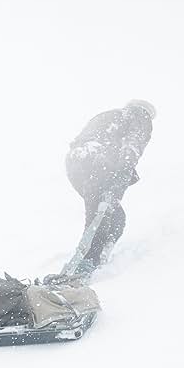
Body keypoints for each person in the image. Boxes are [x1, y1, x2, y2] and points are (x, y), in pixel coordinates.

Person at [64, 99, 155, 275]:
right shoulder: (140, 116)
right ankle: (86, 263)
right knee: (104, 211)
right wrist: (121, 177)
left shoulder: (109, 115)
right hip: (100, 161)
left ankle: (96, 258)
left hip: (76, 164)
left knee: (115, 217)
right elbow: (132, 147)